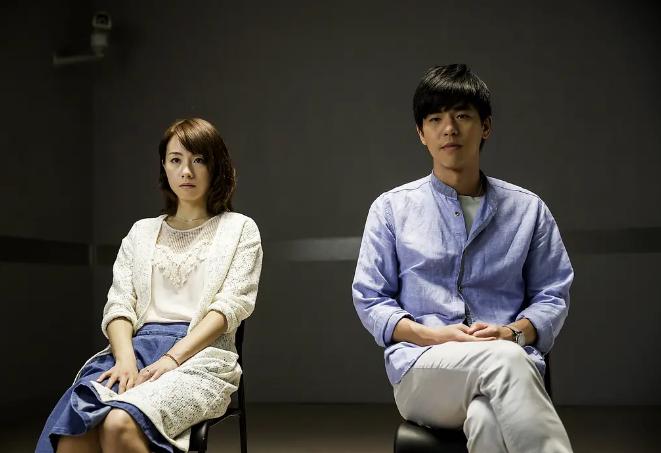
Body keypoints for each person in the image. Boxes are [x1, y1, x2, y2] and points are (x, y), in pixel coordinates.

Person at [352, 64, 573, 452]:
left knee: (487, 419)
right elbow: (371, 300)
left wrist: (511, 333)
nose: (449, 129)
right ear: (421, 133)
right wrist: (432, 335)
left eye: (462, 116)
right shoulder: (391, 210)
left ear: (485, 127)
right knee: (505, 361)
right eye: (435, 119)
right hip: (424, 369)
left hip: (509, 366)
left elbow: (552, 296)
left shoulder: (528, 210)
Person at [37, 118, 263, 453]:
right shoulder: (141, 232)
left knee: (118, 423)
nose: (186, 171)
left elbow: (230, 307)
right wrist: (125, 359)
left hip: (202, 357)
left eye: (199, 160)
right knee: (75, 433)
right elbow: (119, 305)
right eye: (176, 160)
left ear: (216, 166)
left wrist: (173, 357)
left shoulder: (239, 229)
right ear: (164, 166)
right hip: (134, 350)